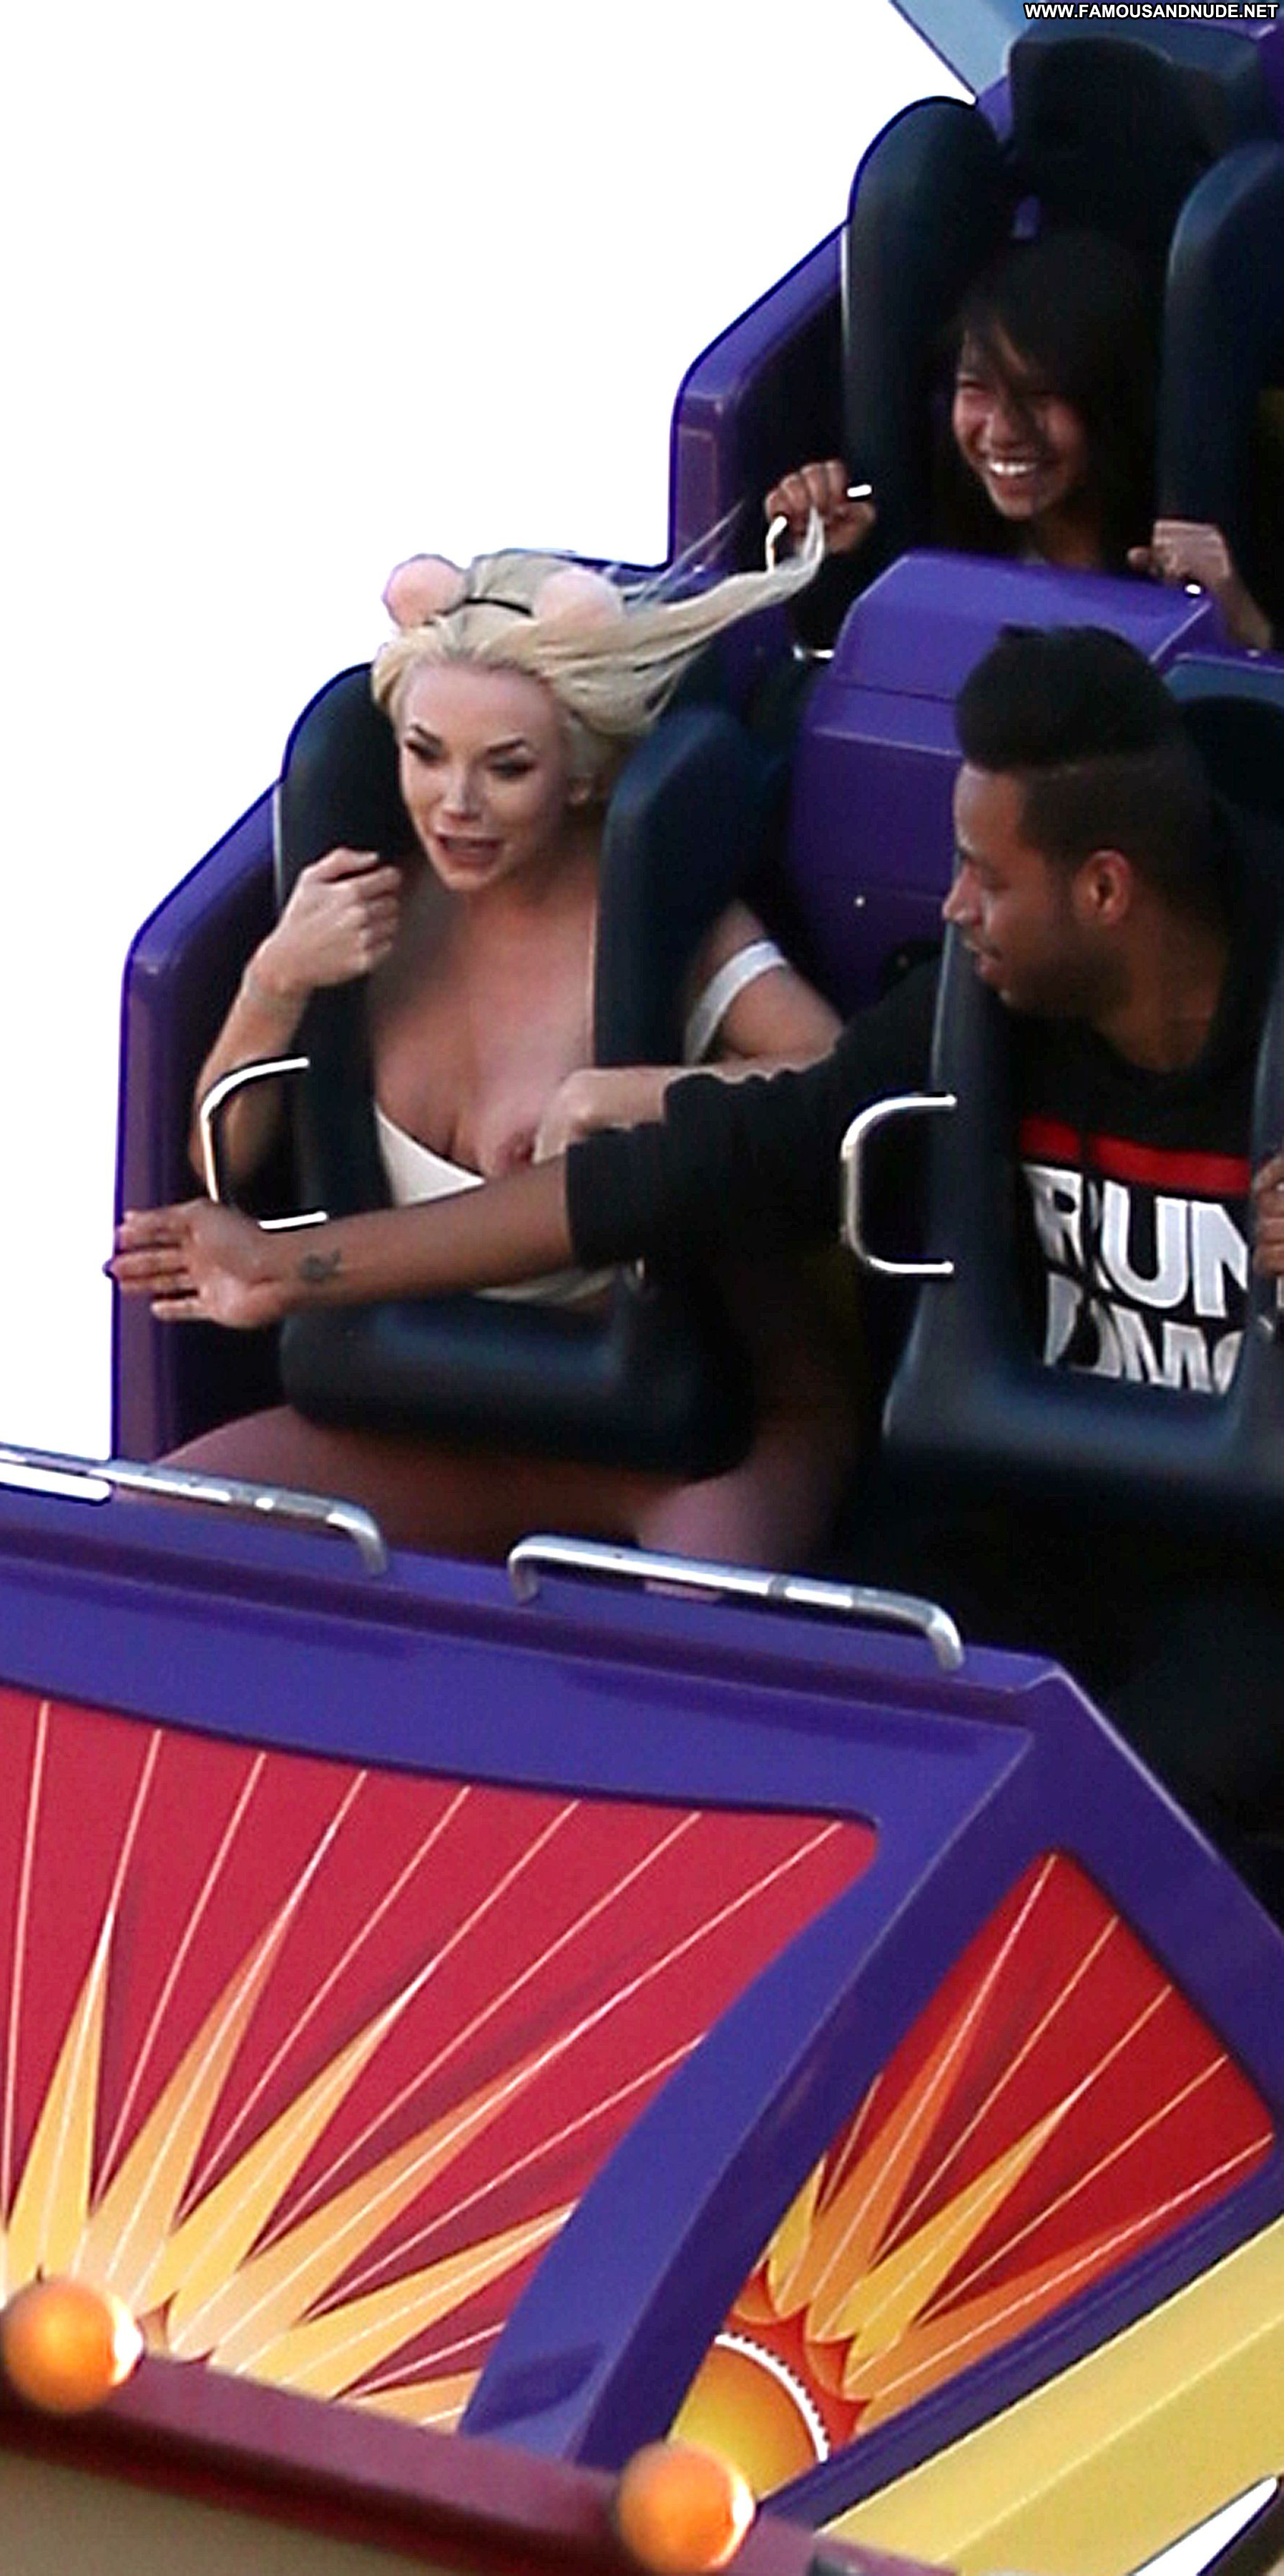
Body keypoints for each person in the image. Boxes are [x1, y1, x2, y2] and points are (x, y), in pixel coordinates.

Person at [112, 626, 1284, 1874]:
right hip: (1023, 1530)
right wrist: (291, 1267)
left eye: (985, 879)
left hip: (1245, 1568)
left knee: (1129, 1823)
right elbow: (671, 1177)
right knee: (820, 1765)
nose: (951, 908)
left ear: (1103, 892)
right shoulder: (968, 1011)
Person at [149, 532, 860, 1565]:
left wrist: (637, 1096)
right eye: (425, 754)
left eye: (507, 768)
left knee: (698, 1628)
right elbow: (226, 1163)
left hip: (681, 1435)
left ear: (583, 774)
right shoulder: (366, 907)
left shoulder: (662, 930)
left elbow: (841, 1084)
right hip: (429, 1411)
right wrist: (275, 983)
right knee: (138, 1548)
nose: (456, 805)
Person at [767, 230, 1275, 651]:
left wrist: (1247, 631)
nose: (1003, 433)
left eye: (1040, 396)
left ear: (1112, 403)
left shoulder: (1241, 544)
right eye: (977, 389)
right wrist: (825, 561)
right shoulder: (925, 530)